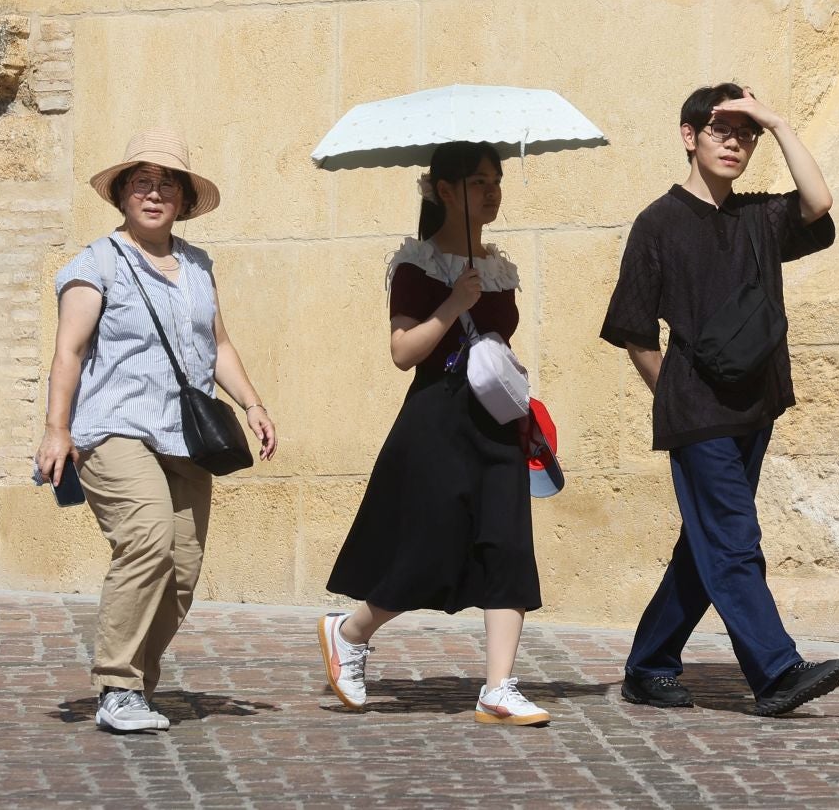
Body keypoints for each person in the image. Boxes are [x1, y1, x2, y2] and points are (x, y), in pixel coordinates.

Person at [601, 83, 839, 717]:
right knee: (735, 538)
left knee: (706, 544)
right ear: (689, 137)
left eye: (746, 134)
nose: (734, 143)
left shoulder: (758, 217)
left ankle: (648, 665)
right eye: (720, 130)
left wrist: (778, 122)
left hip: (755, 405)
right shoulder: (657, 223)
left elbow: (818, 202)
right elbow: (634, 331)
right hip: (697, 412)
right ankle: (776, 671)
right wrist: (678, 395)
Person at [34, 129, 277, 734]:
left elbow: (218, 344)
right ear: (122, 194)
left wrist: (252, 403)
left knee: (182, 571)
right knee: (147, 538)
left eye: (167, 184)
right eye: (141, 182)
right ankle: (117, 685)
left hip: (186, 438)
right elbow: (68, 352)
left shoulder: (197, 266)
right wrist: (56, 429)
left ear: (184, 200)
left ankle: (139, 682)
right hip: (114, 428)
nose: (153, 193)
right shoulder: (96, 264)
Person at [319, 141, 551, 727]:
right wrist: (453, 303)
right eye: (478, 182)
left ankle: (498, 687)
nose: (492, 191)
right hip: (437, 419)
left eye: (496, 180)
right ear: (444, 191)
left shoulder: (498, 266)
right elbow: (403, 352)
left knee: (508, 544)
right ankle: (351, 632)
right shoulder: (416, 266)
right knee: (429, 546)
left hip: (496, 419)